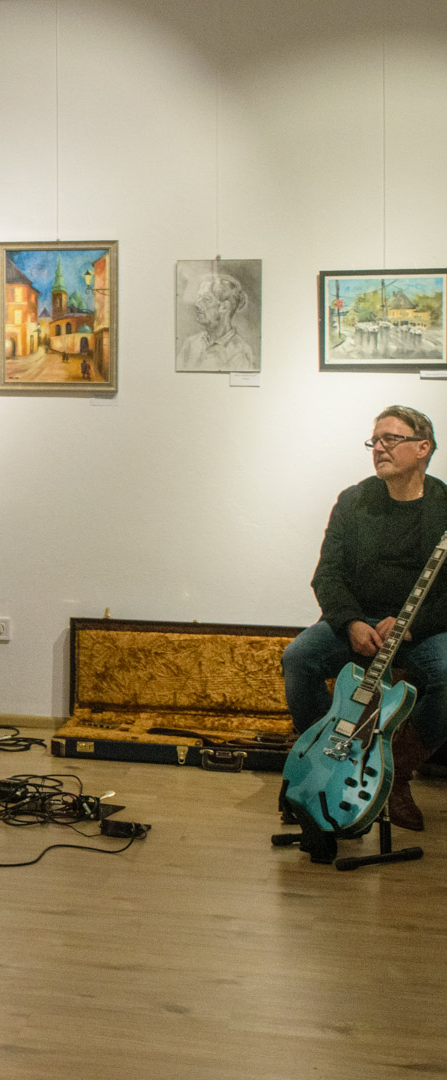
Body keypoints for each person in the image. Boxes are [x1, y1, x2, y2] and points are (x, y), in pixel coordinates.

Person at [281, 405, 447, 831]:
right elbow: (328, 574)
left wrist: (413, 625)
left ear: (423, 448)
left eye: (391, 439)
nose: (379, 447)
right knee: (298, 658)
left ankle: (394, 773)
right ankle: (327, 759)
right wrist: (351, 622)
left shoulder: (445, 505)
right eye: (375, 440)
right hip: (358, 620)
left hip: (422, 627)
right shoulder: (354, 500)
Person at [176, 273, 256, 372]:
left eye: (206, 299)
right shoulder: (190, 344)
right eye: (199, 297)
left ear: (224, 307)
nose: (197, 304)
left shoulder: (240, 353)